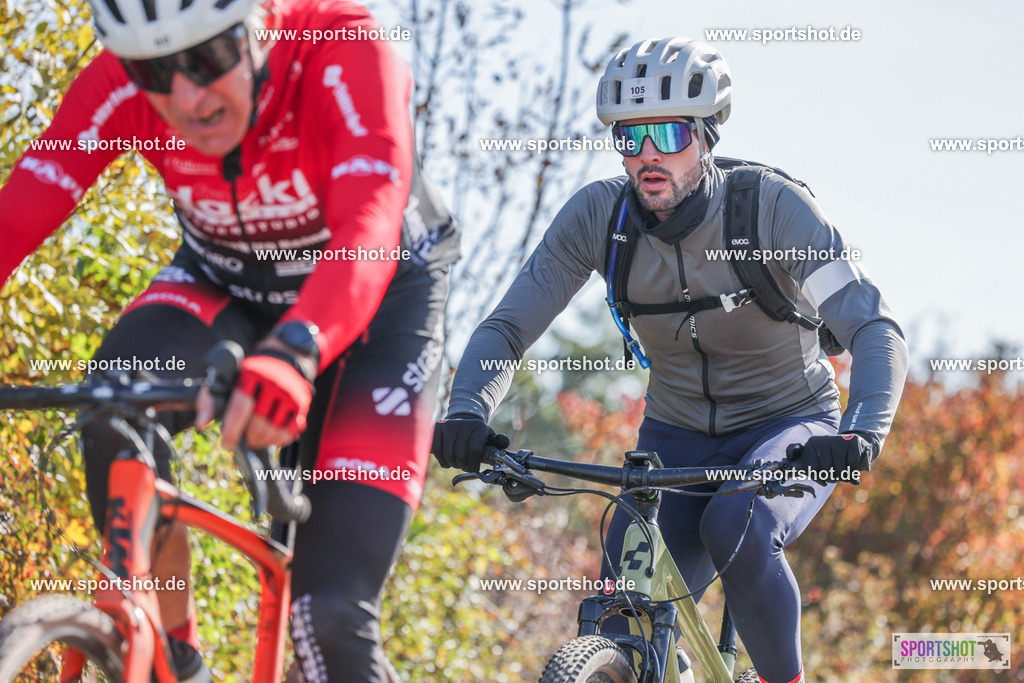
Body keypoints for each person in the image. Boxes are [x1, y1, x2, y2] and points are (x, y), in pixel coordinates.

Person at [0, 0, 459, 679]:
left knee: (327, 616)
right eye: (153, 71)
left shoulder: (348, 48)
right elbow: (29, 200)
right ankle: (178, 657)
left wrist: (298, 348)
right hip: (228, 279)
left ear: (260, 26)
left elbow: (370, 219)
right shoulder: (121, 86)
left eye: (209, 58)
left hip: (379, 298)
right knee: (112, 408)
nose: (186, 95)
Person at [432, 37, 908, 683]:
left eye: (667, 132)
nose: (647, 153)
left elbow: (875, 327)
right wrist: (467, 410)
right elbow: (508, 327)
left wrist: (862, 429)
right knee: (617, 614)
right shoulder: (600, 218)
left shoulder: (771, 209)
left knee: (737, 522)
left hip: (789, 426)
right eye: (630, 137)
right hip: (675, 436)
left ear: (706, 135)